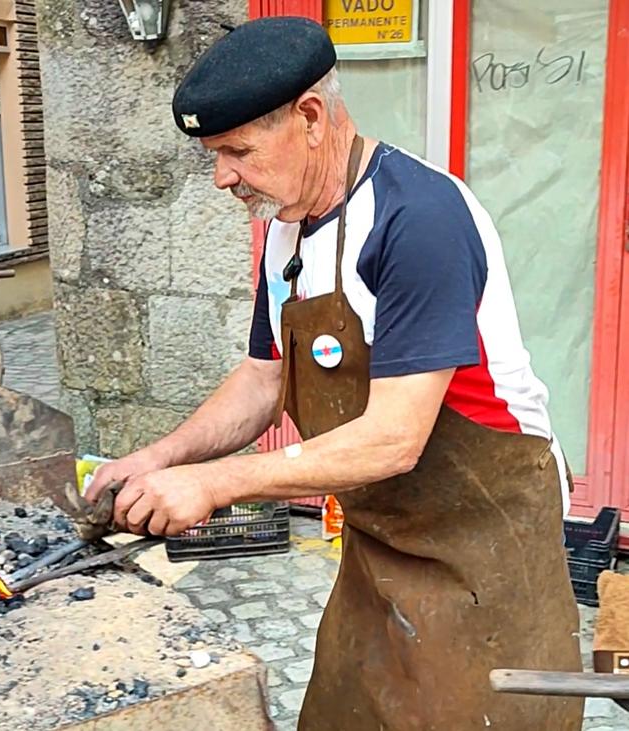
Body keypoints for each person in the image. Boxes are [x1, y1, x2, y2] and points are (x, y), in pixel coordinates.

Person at [86, 16, 583, 731]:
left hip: (485, 550)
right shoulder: (286, 225)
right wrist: (158, 457)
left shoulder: (418, 219)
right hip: (381, 540)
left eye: (237, 151)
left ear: (311, 117)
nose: (223, 175)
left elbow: (394, 439)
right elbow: (263, 380)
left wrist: (214, 482)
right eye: (214, 155)